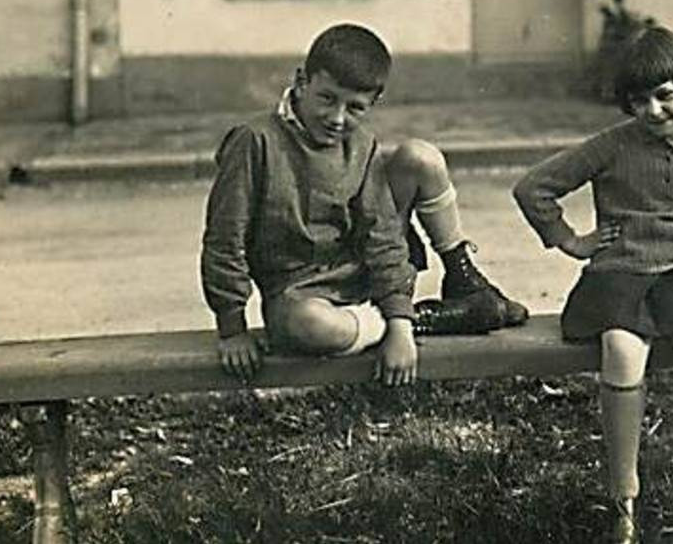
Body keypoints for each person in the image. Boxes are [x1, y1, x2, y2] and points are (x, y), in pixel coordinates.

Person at [513, 28, 673, 544]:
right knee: (620, 350)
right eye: (639, 101)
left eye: (665, 96)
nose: (654, 110)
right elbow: (533, 187)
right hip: (618, 275)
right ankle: (624, 501)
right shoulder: (610, 145)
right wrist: (572, 241)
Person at [201, 23, 528, 385]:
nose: (338, 118)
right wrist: (232, 329)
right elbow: (224, 239)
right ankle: (413, 319)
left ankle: (454, 290)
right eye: (327, 98)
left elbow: (383, 233)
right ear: (302, 80)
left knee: (422, 157)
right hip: (297, 295)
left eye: (355, 108)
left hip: (359, 278)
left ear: (374, 103)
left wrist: (401, 330)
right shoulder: (254, 142)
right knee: (313, 328)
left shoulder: (361, 144)